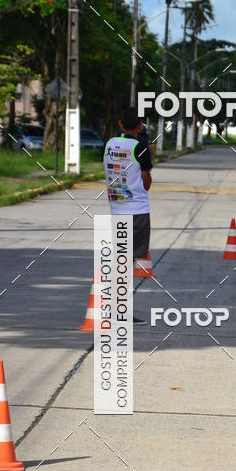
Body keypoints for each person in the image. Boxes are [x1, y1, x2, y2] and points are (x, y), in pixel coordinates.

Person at [104, 106, 153, 325]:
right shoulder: (140, 147)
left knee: (119, 260)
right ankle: (120, 310)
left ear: (120, 124)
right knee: (127, 263)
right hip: (137, 211)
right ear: (140, 125)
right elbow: (147, 183)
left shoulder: (110, 144)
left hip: (116, 210)